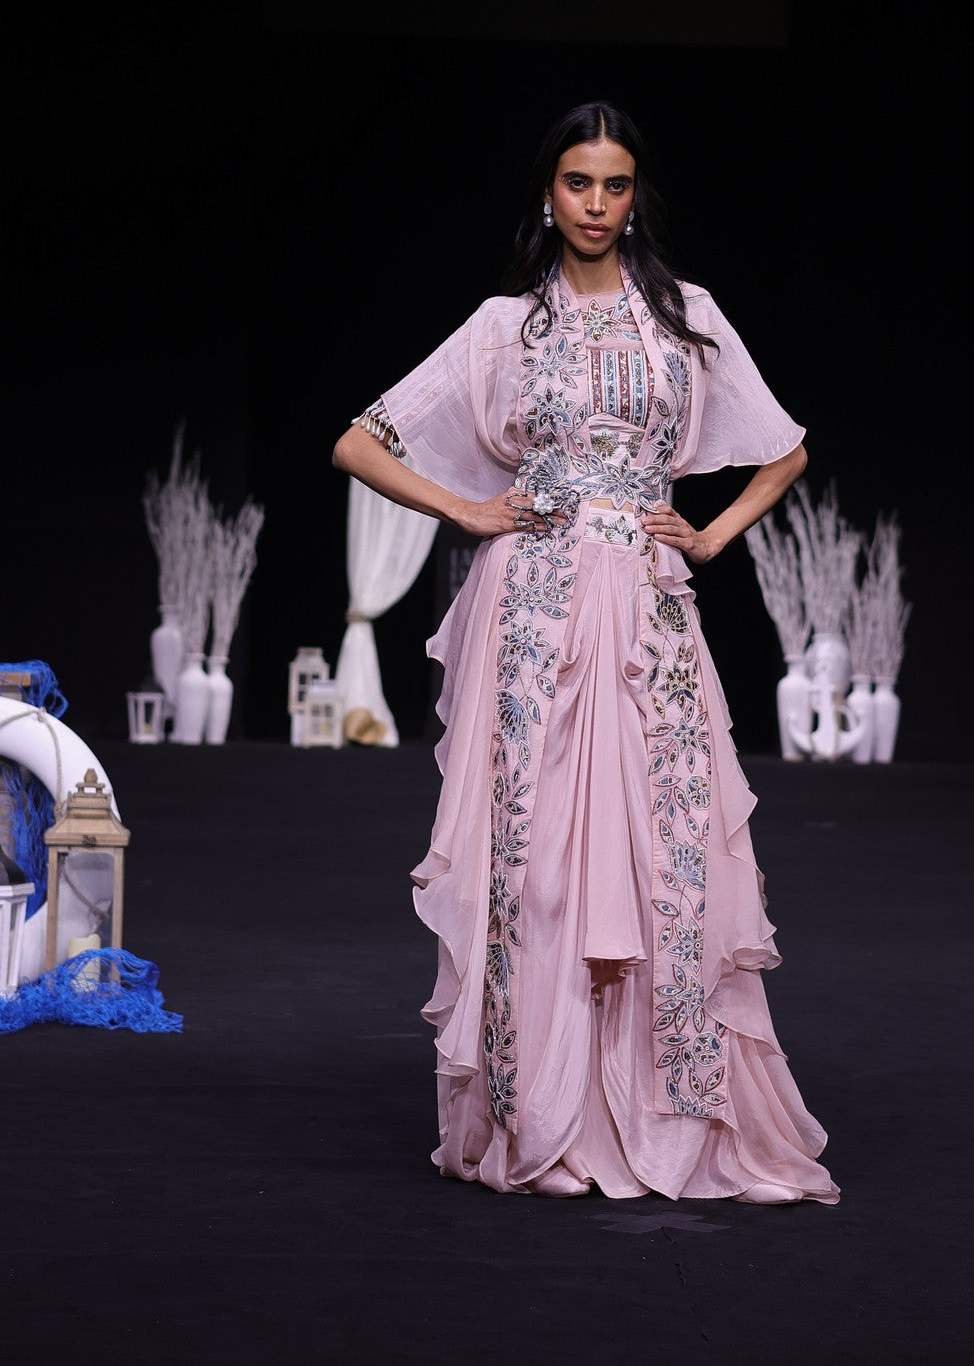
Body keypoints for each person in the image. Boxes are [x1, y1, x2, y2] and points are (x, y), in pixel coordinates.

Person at [332, 100, 839, 1205]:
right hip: (535, 609)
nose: (597, 205)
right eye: (576, 183)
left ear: (635, 193)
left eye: (614, 185)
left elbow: (786, 449)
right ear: (547, 194)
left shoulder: (686, 317)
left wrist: (707, 531)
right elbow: (356, 442)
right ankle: (540, 1120)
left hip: (649, 609)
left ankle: (674, 1116)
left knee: (667, 856)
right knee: (540, 862)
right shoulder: (505, 325)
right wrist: (468, 510)